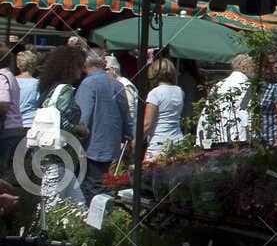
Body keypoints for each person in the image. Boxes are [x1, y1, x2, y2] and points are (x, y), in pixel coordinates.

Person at [33, 45, 87, 208]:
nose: (82, 70)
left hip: (53, 156)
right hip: (58, 157)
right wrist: (81, 129)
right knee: (50, 207)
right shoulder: (65, 90)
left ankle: (79, 232)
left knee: (78, 206)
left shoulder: (48, 88)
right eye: (79, 65)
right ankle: (42, 233)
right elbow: (62, 122)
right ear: (69, 67)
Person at [75, 49, 132, 197]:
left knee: (89, 192)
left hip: (91, 147)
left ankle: (94, 219)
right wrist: (128, 139)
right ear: (104, 63)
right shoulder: (117, 85)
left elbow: (82, 119)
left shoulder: (88, 84)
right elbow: (126, 118)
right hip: (110, 147)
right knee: (101, 189)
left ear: (84, 64)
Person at [197, 54, 254, 148]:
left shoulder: (218, 86)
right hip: (241, 138)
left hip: (220, 137)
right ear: (243, 68)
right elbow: (246, 112)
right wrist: (252, 134)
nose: (254, 70)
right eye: (252, 67)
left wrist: (202, 141)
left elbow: (206, 115)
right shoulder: (247, 86)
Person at [142, 58, 186, 160]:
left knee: (151, 173)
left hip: (159, 142)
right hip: (177, 139)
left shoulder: (155, 93)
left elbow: (147, 124)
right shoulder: (179, 91)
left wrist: (137, 141)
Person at [0, 52, 25, 183]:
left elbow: (4, 104)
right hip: (14, 128)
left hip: (7, 129)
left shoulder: (1, 76)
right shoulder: (8, 75)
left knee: (2, 173)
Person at [14, 50, 40, 131]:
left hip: (11, 123)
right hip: (30, 124)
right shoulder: (38, 84)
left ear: (18, 65)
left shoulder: (11, 81)